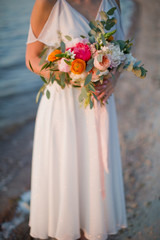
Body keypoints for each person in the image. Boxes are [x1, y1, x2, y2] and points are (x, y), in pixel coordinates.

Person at [25, 0, 128, 239]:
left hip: (99, 103)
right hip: (64, 106)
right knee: (68, 174)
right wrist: (69, 75)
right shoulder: (49, 3)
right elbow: (32, 59)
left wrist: (114, 79)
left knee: (94, 175)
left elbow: (120, 53)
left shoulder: (112, 2)